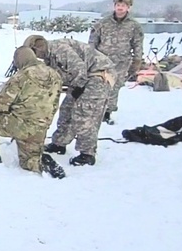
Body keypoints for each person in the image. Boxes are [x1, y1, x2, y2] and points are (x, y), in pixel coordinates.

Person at [24, 34, 115, 166]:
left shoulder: (60, 49)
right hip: (83, 79)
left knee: (85, 114)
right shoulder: (50, 57)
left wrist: (79, 87)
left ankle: (87, 154)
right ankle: (59, 144)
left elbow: (79, 69)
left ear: (38, 48)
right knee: (67, 109)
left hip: (98, 75)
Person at [0, 46, 65, 178]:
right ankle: (42, 162)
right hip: (40, 127)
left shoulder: (22, 75)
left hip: (20, 124)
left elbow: (2, 102)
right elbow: (55, 102)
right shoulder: (54, 75)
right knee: (28, 163)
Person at [89, 0, 144, 123]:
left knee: (114, 87)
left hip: (121, 63)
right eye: (118, 5)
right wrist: (90, 57)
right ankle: (96, 110)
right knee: (99, 86)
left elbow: (137, 44)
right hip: (102, 61)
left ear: (128, 7)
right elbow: (92, 41)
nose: (120, 8)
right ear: (114, 6)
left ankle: (107, 112)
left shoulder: (134, 26)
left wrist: (137, 61)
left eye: (123, 5)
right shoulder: (102, 23)